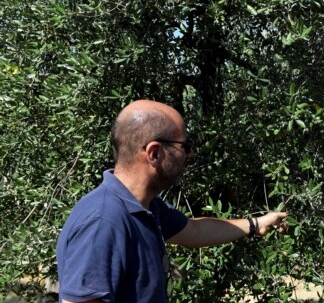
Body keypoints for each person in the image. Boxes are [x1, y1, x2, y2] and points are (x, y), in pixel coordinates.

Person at [56, 100, 287, 303]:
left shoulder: (147, 207)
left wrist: (257, 224)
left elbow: (195, 230)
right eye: (184, 147)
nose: (189, 155)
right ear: (154, 153)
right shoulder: (104, 221)